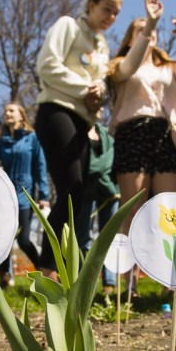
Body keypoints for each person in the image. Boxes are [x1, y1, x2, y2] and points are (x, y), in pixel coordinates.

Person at [34, 0, 122, 279]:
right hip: (57, 111)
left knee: (77, 194)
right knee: (70, 187)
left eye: (116, 14)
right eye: (107, 9)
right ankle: (48, 271)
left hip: (84, 121)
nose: (111, 17)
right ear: (92, 5)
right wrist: (86, 87)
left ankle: (60, 267)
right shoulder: (68, 26)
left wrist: (98, 96)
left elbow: (97, 88)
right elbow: (46, 65)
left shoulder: (103, 47)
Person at [108, 0, 176, 232]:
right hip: (132, 134)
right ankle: (126, 271)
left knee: (170, 213)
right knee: (132, 211)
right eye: (139, 31)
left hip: (165, 135)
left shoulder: (167, 68)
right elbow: (129, 66)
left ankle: (169, 269)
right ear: (130, 40)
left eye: (150, 32)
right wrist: (150, 22)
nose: (148, 35)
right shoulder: (119, 66)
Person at [0, 103, 50, 288]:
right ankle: (4, 277)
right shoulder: (3, 141)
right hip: (4, 196)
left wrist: (44, 194)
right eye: (5, 111)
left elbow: (40, 166)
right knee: (3, 239)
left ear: (22, 116)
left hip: (25, 196)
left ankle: (43, 272)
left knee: (23, 240)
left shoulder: (32, 138)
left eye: (12, 110)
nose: (7, 113)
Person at [74, 115, 118, 293]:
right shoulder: (77, 133)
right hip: (86, 190)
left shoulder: (108, 135)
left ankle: (109, 282)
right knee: (83, 236)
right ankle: (82, 281)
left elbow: (108, 161)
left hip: (110, 191)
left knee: (108, 236)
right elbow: (89, 165)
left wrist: (100, 172)